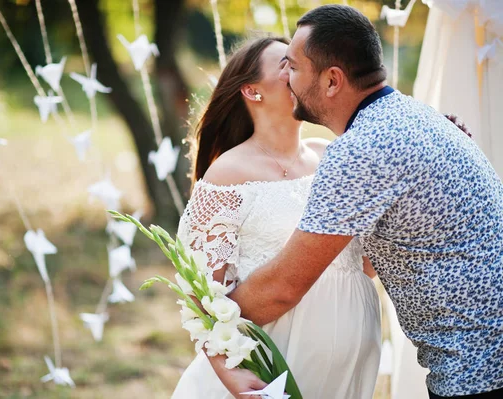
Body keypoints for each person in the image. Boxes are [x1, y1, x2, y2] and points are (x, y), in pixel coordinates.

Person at [211, 5, 503, 399]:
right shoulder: (410, 116)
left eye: (293, 68)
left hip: (480, 370)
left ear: (332, 81)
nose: (288, 79)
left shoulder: (361, 150)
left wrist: (210, 322)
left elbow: (283, 288)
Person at [171, 36, 381, 399]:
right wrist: (229, 372)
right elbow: (200, 295)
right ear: (253, 91)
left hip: (349, 362)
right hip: (272, 363)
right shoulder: (228, 175)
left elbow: (365, 264)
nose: (300, 69)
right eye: (285, 64)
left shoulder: (331, 155)